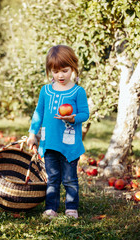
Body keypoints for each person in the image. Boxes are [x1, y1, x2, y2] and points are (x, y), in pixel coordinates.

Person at [27, 45, 89, 219]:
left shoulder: (78, 91)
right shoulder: (45, 91)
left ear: (73, 68)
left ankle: (71, 207)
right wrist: (33, 134)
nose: (60, 75)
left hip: (69, 144)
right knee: (52, 178)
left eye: (64, 70)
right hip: (49, 142)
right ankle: (51, 208)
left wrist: (73, 118)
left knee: (69, 179)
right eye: (55, 71)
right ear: (50, 71)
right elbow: (38, 113)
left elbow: (85, 113)